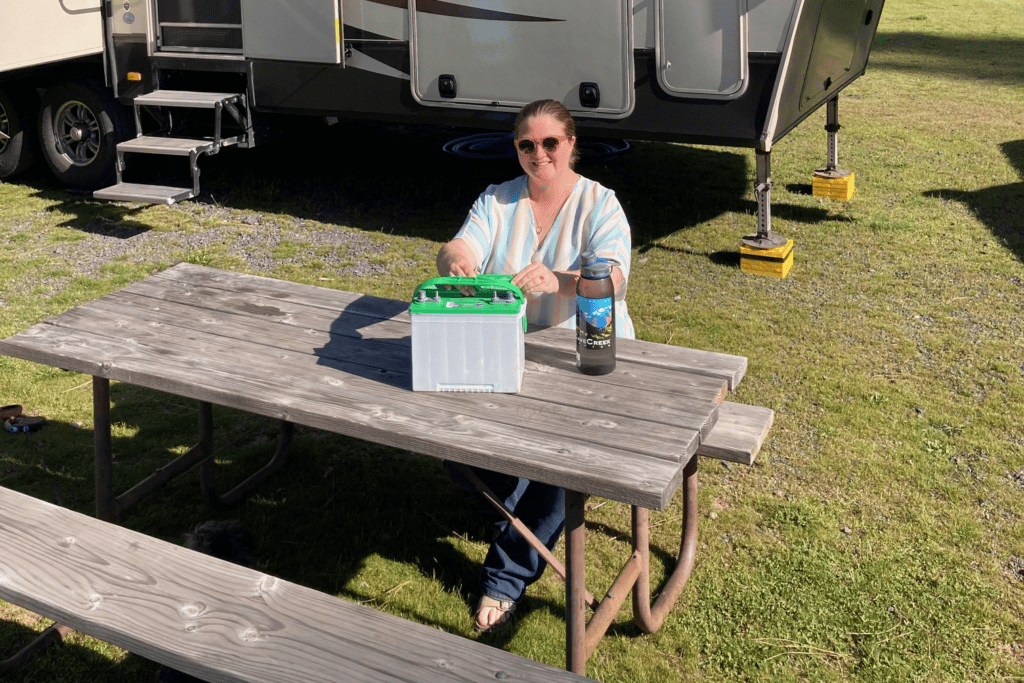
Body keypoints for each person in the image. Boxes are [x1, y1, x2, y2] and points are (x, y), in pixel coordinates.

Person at [436, 99, 636, 632]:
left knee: (560, 465)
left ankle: (505, 575)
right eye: (527, 144)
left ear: (571, 144)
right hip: (508, 348)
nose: (539, 153)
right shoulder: (498, 199)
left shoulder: (601, 202)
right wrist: (456, 259)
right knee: (442, 430)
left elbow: (615, 277)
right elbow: (460, 243)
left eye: (550, 142)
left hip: (586, 355)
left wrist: (563, 280)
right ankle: (526, 506)